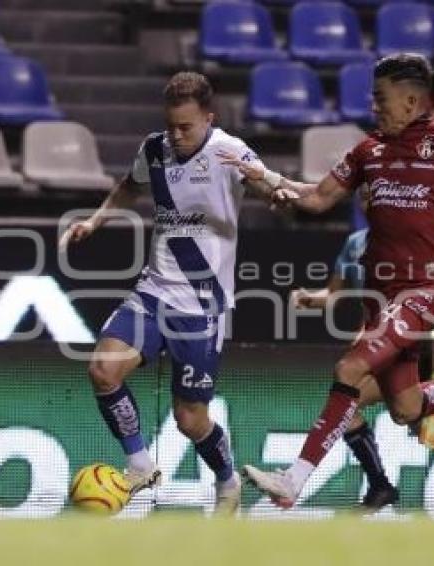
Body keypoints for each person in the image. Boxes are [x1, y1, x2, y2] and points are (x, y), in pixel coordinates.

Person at [220, 53, 434, 509]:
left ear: (413, 100)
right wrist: (268, 179)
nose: (374, 106)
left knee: (348, 370)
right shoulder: (367, 151)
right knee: (406, 408)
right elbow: (315, 198)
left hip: (424, 291)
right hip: (380, 296)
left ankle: (293, 481)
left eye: (381, 98)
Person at [59, 72, 269, 515]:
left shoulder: (229, 151)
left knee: (190, 419)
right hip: (154, 291)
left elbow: (270, 183)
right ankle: (140, 464)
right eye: (171, 124)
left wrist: (278, 189)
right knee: (102, 370)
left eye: (186, 127)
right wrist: (97, 219)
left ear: (209, 118)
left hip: (202, 305)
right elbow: (129, 186)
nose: (176, 135)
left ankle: (228, 482)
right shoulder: (154, 149)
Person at [292, 229, 434, 512]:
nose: (367, 195)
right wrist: (310, 298)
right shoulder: (355, 243)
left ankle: (382, 485)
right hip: (377, 349)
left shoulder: (416, 232)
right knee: (415, 416)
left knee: (367, 409)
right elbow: (334, 294)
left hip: (410, 345)